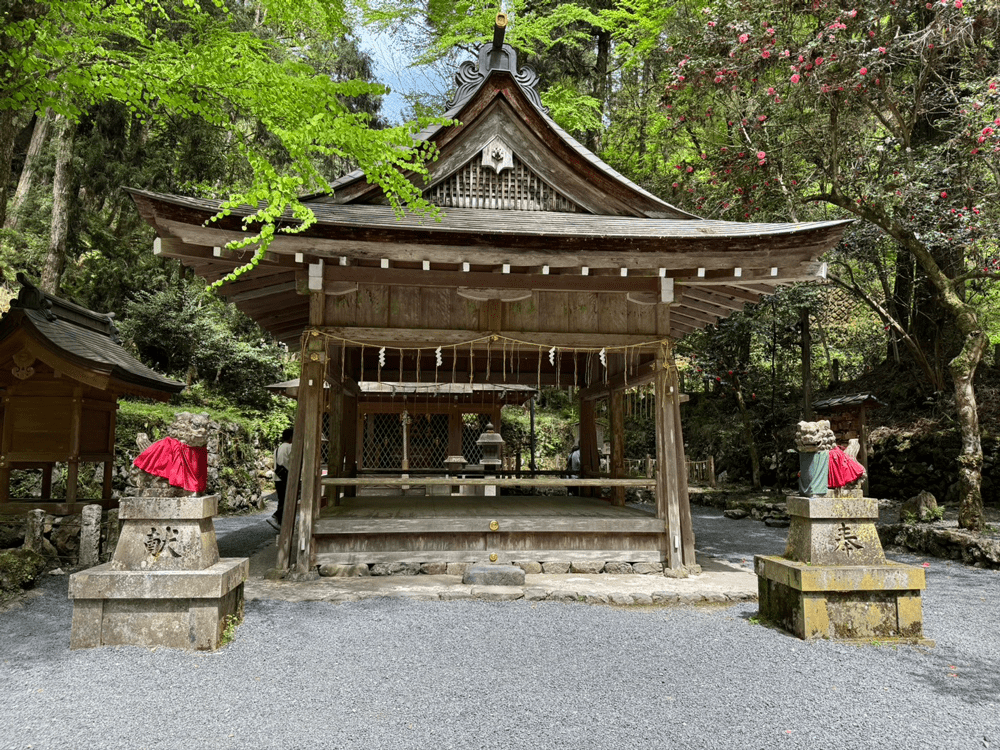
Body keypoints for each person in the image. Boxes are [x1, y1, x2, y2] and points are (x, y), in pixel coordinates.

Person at [268, 427, 293, 531]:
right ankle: (275, 517)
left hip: (278, 478)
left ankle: (280, 524)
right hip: (286, 477)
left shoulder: (277, 448)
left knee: (282, 500)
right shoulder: (290, 447)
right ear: (292, 437)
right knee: (288, 500)